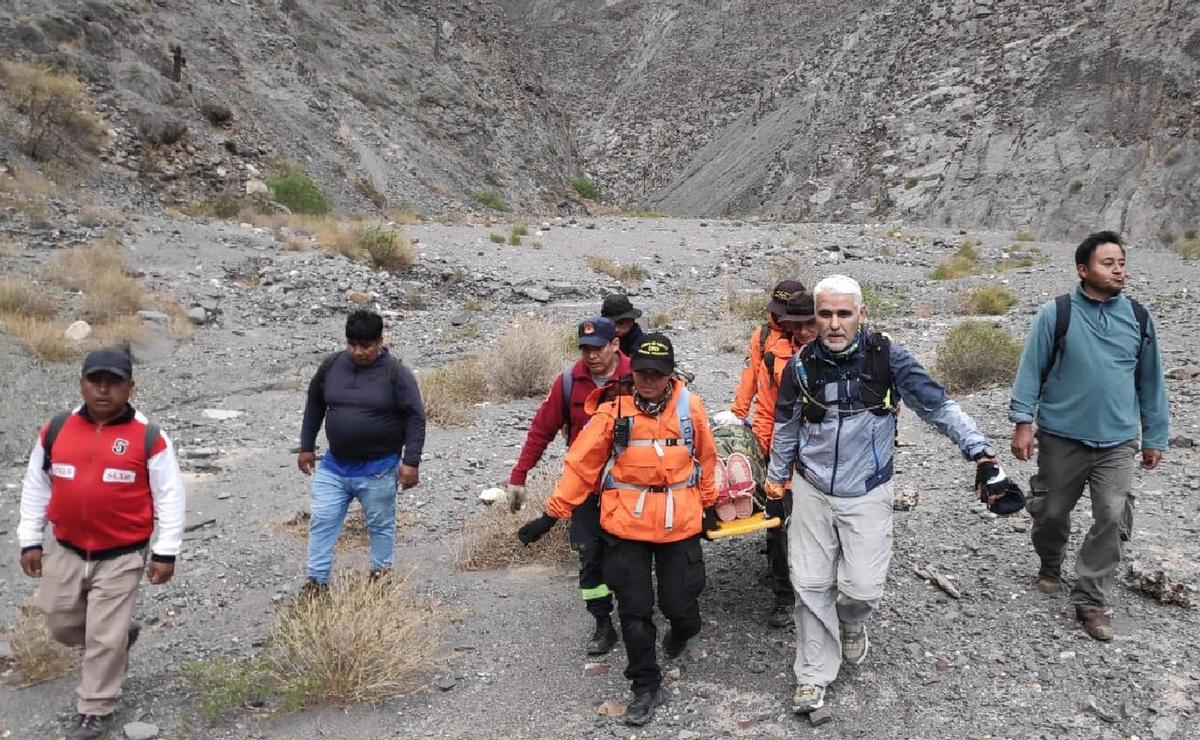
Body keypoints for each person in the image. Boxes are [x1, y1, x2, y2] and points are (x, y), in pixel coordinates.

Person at [764, 275, 1003, 715]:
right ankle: (813, 675)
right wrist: (775, 481)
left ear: (861, 315)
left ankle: (852, 624)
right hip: (812, 487)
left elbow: (938, 406)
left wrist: (980, 452)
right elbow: (785, 427)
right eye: (825, 314)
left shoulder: (887, 359)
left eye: (844, 313)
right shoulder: (800, 367)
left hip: (869, 489)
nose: (834, 324)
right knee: (811, 584)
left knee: (862, 587)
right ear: (814, 317)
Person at [517, 334, 718, 726]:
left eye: (656, 375)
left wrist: (709, 506)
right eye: (642, 372)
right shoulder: (613, 413)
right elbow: (581, 466)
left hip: (679, 525)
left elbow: (705, 459)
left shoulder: (688, 408)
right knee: (635, 612)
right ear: (632, 373)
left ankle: (680, 634)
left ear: (669, 375)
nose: (648, 381)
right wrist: (551, 515)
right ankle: (645, 686)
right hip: (626, 527)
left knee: (683, 608)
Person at [18, 348, 186, 740]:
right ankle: (118, 639)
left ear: (131, 387)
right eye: (96, 381)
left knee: (102, 636)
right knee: (59, 621)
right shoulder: (55, 429)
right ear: (82, 384)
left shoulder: (149, 437)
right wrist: (30, 540)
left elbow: (170, 496)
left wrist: (166, 551)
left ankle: (95, 707)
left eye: (114, 382)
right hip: (66, 548)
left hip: (122, 555)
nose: (104, 390)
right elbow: (35, 486)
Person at [1009, 231, 1168, 641]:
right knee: (1051, 512)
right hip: (1063, 437)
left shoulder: (1137, 317)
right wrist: (1023, 422)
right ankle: (1050, 560)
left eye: (1121, 263)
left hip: (1117, 441)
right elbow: (1031, 369)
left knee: (1113, 516)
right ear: (1083, 270)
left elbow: (1150, 381)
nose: (1118, 270)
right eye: (1107, 263)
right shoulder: (1056, 314)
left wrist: (1154, 436)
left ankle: (1090, 600)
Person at [505, 316, 632, 655]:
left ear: (615, 345)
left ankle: (638, 616)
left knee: (627, 556)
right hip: (586, 489)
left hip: (631, 488)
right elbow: (541, 430)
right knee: (590, 553)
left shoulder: (638, 377)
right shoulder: (568, 383)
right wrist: (519, 475)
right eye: (585, 349)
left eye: (598, 348)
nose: (591, 356)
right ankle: (603, 623)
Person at [298, 310, 426, 589]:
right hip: (334, 467)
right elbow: (315, 404)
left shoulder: (397, 373)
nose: (358, 351)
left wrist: (411, 462)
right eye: (352, 344)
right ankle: (316, 583)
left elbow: (416, 416)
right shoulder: (331, 366)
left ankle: (380, 579)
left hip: (378, 469)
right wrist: (306, 446)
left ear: (380, 341)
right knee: (322, 521)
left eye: (365, 346)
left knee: (380, 526)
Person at [753, 291, 818, 628]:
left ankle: (824, 593)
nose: (805, 332)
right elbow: (766, 410)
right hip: (786, 458)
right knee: (779, 528)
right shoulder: (773, 357)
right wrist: (766, 453)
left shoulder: (841, 355)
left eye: (811, 324)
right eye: (798, 325)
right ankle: (783, 597)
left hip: (826, 460)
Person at [722, 280, 806, 425]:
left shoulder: (808, 336)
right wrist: (738, 414)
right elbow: (750, 376)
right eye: (777, 312)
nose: (780, 318)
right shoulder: (763, 335)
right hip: (770, 411)